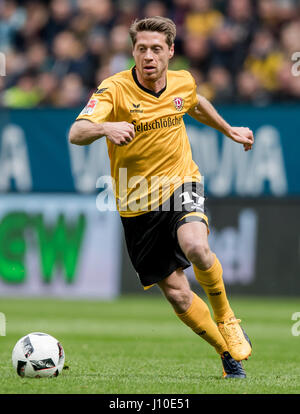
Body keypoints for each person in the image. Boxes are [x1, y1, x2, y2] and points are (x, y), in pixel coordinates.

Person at [69, 16, 254, 379]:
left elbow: (195, 103)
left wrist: (229, 129)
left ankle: (227, 317)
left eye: (156, 49)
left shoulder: (183, 80)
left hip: (180, 184)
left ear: (170, 51)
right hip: (136, 203)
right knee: (179, 295)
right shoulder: (114, 89)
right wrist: (105, 126)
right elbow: (77, 132)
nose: (149, 56)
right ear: (133, 52)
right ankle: (225, 351)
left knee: (197, 246)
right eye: (141, 49)